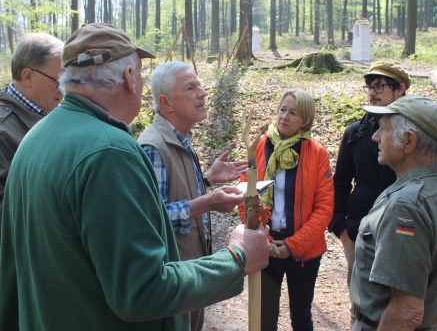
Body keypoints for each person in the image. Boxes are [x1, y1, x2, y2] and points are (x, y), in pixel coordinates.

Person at [0, 23, 270, 331]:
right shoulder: (109, 152)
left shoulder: (36, 137)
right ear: (129, 77)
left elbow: (11, 274)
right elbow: (142, 291)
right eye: (140, 72)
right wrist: (236, 259)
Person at [137, 60, 248, 330]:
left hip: (188, 278)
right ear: (166, 102)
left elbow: (173, 192)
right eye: (191, 87)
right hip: (172, 283)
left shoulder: (180, 139)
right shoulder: (153, 146)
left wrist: (207, 179)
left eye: (199, 85)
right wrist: (208, 202)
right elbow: (154, 218)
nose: (203, 93)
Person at [350, 95, 437, 330]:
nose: (375, 137)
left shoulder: (407, 205)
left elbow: (407, 310)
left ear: (408, 141)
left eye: (383, 129)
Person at [328, 61, 437, 290]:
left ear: (400, 89)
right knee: (362, 306)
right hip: (358, 232)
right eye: (369, 87)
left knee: (402, 304)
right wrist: (342, 230)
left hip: (408, 237)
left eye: (379, 86)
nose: (372, 93)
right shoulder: (356, 132)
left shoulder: (423, 135)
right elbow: (340, 183)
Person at [238, 89, 334, 331]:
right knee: (264, 319)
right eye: (282, 110)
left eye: (293, 113)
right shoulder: (260, 146)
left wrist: (293, 246)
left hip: (304, 253)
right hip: (266, 248)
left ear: (306, 120)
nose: (284, 117)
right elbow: (245, 194)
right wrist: (261, 239)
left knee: (301, 318)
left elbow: (324, 209)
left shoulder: (317, 153)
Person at [0, 33, 64, 231]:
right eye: (58, 81)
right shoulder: (4, 131)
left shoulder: (46, 118)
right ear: (28, 76)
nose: (64, 90)